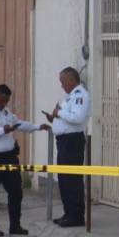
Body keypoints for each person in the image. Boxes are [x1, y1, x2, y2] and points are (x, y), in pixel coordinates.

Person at [0, 84, 43, 237]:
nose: (4, 104)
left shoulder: (6, 112)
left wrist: (38, 127)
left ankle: (15, 225)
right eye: (2, 101)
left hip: (9, 158)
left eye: (6, 101)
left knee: (16, 192)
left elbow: (19, 124)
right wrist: (1, 131)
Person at [44, 67, 90, 228]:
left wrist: (59, 114)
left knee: (72, 179)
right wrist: (53, 117)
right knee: (64, 179)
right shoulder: (69, 97)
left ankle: (76, 216)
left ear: (71, 80)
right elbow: (65, 117)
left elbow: (77, 118)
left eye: (63, 82)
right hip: (64, 142)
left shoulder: (80, 96)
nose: (62, 85)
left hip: (72, 142)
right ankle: (68, 213)